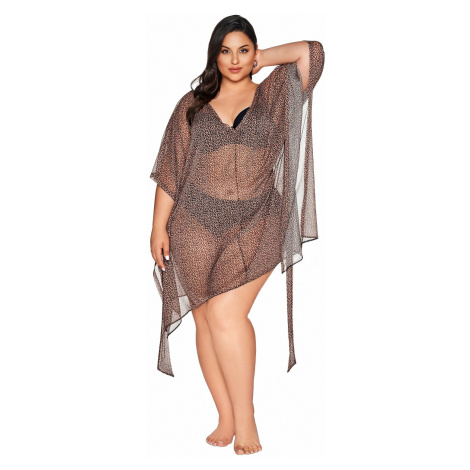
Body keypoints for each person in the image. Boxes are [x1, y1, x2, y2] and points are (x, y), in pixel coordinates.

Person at [149, 15, 325, 456]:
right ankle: (225, 416)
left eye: (243, 50)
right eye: (225, 51)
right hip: (194, 222)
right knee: (206, 320)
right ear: (214, 55)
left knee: (226, 313)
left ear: (254, 52)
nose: (234, 59)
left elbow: (312, 52)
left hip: (258, 220)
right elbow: (171, 169)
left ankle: (246, 419)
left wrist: (263, 60)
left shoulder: (274, 94)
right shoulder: (192, 104)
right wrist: (157, 227)